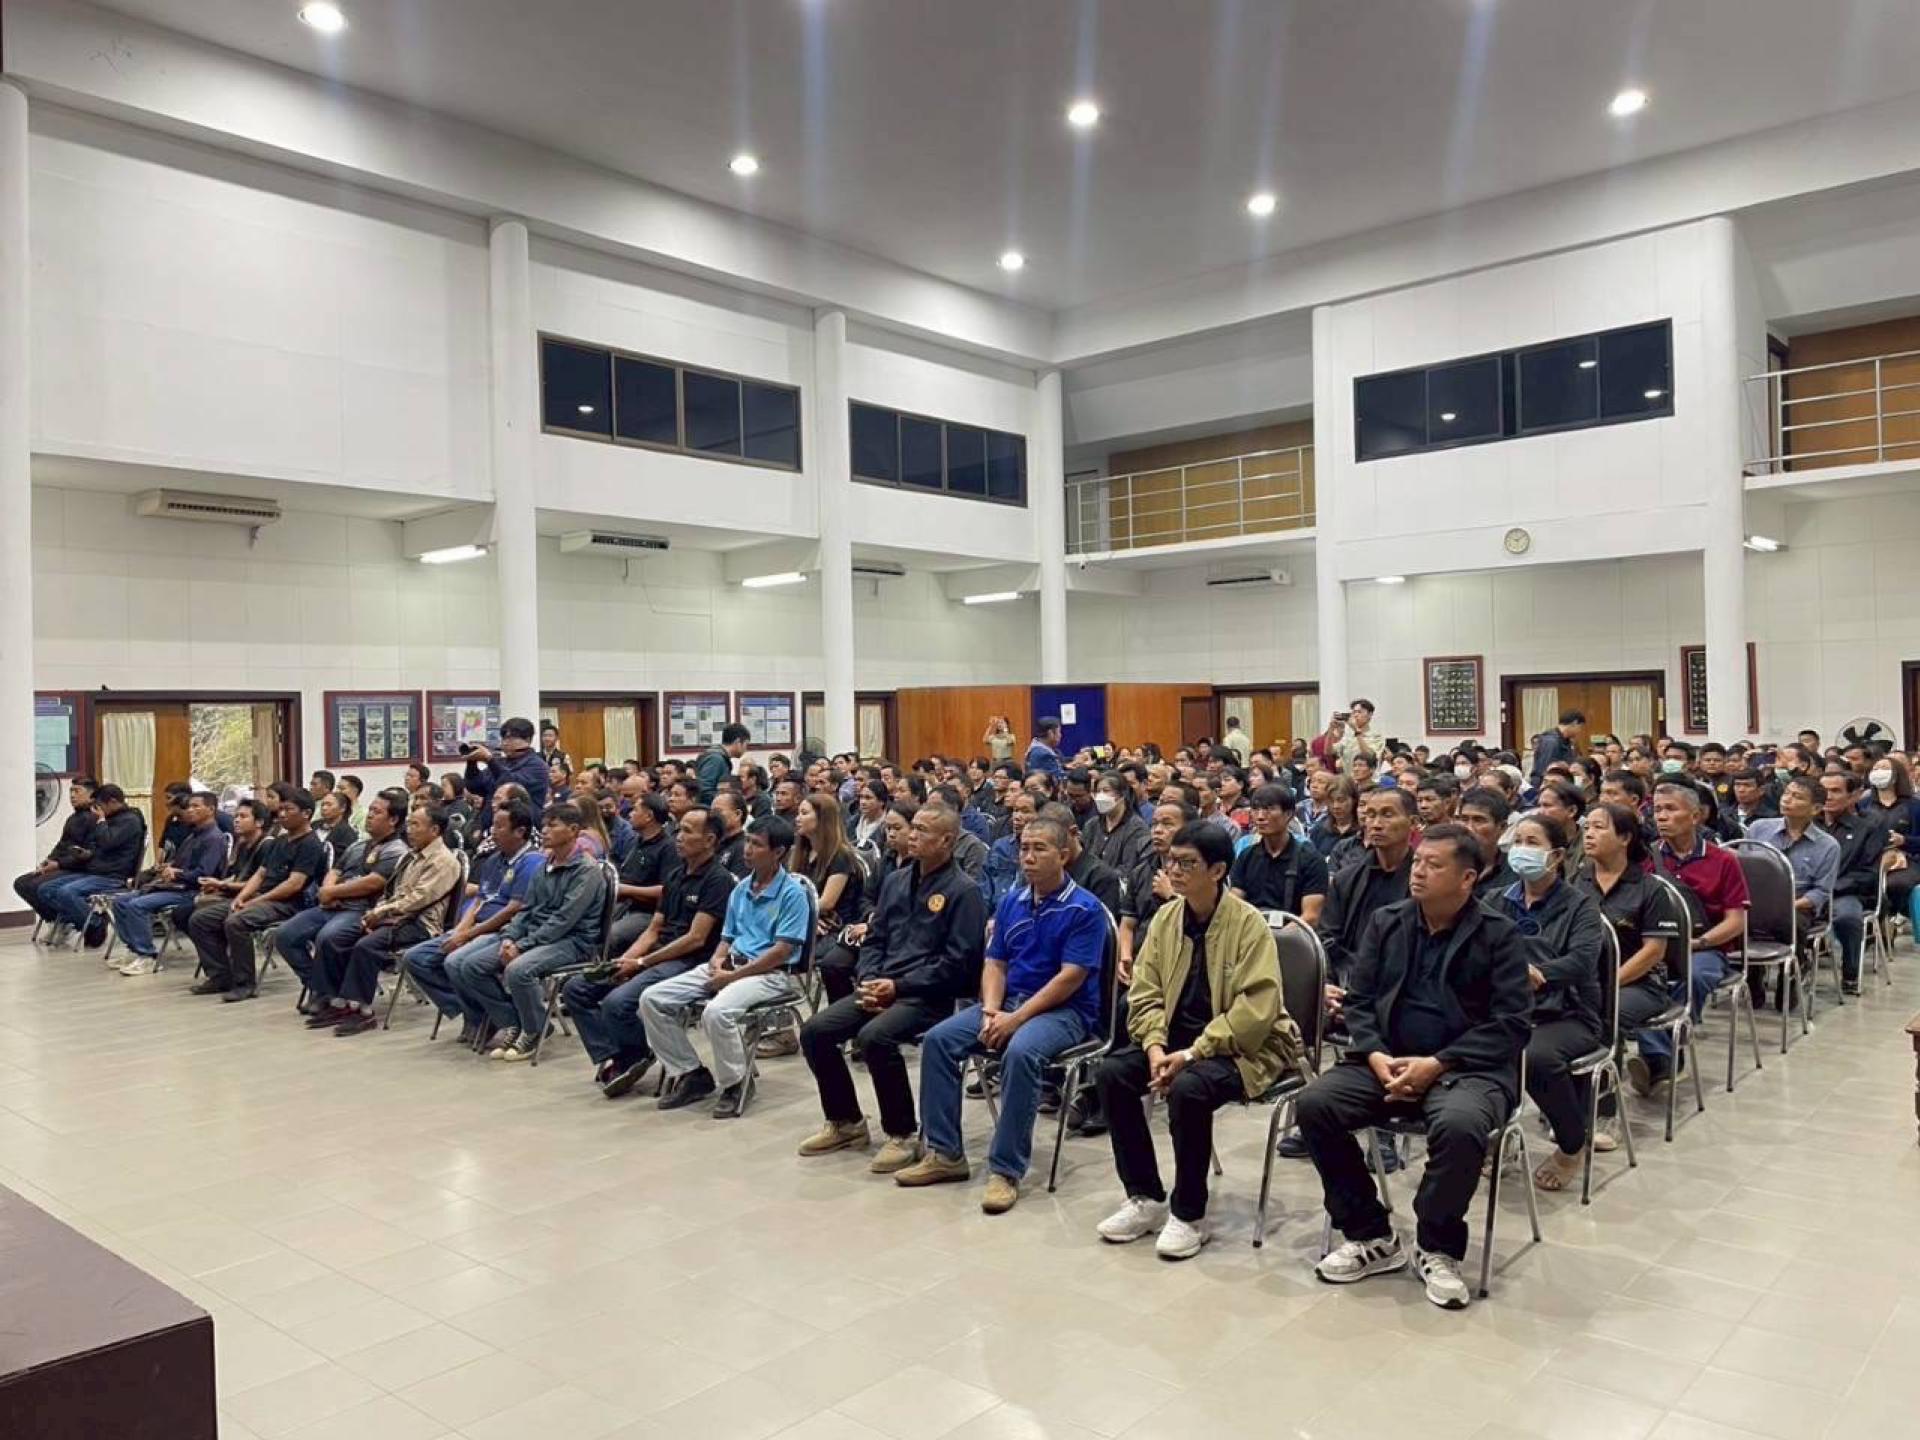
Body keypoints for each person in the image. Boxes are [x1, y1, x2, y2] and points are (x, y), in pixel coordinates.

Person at [1297, 823, 1531, 1310]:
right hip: (1387, 1059)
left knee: (1461, 1125)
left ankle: (1436, 1246)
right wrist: (1376, 1054)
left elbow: (1511, 1023)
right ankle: (1371, 1235)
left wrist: (1438, 1063)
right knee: (1316, 1103)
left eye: (1433, 865)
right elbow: (1360, 1001)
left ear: (1467, 878)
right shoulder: (1388, 922)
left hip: (1468, 1068)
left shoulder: (1499, 934)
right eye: (1418, 861)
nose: (1418, 871)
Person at [1095, 822, 1301, 1258]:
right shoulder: (1166, 918)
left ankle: (1189, 1213)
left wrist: (1192, 1053)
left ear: (1218, 870)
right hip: (1174, 1039)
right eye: (1171, 861)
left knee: (1188, 1089)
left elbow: (1256, 1009)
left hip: (1243, 1046)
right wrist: (1155, 1046)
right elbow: (1145, 991)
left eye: (1187, 863)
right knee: (1113, 1073)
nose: (1174, 871)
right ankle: (1145, 1196)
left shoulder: (1248, 925)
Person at [895, 813, 1106, 1213]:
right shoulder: (1013, 901)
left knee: (1021, 1052)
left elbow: (1071, 977)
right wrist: (991, 1010)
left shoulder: (1085, 908)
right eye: (1024, 848)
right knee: (939, 1040)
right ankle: (945, 1153)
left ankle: (1006, 1169)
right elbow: (995, 963)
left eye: (1039, 849)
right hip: (1007, 1004)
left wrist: (1017, 1018)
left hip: (1065, 1012)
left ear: (1063, 855)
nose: (1028, 857)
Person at [797, 804, 987, 1166]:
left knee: (874, 1037)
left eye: (922, 830)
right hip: (881, 985)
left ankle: (902, 1134)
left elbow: (959, 965)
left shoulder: (965, 891)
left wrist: (897, 987)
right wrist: (868, 979)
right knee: (815, 1031)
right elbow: (875, 938)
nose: (912, 835)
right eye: (912, 827)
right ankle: (846, 1121)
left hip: (929, 996)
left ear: (946, 841)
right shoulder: (896, 880)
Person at [640, 816, 812, 1118]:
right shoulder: (741, 889)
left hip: (769, 975)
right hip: (731, 966)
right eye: (747, 842)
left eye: (757, 844)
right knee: (652, 999)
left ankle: (735, 1083)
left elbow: (782, 951)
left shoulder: (792, 894)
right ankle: (691, 1072)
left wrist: (732, 976)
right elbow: (728, 937)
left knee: (717, 1012)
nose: (747, 849)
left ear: (778, 852)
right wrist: (717, 960)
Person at [560, 808, 735, 1096]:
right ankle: (617, 1054)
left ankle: (635, 1054)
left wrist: (642, 962)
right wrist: (627, 959)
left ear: (710, 840)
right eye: (679, 829)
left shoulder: (718, 880)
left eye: (687, 831)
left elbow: (695, 938)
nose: (678, 837)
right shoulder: (676, 875)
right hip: (656, 954)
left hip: (687, 961)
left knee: (618, 1003)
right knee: (577, 989)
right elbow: (654, 928)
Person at [1495, 814, 1609, 1193]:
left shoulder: (1580, 906)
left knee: (1534, 1055)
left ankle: (1572, 1142)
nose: (1521, 850)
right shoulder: (1496, 900)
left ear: (1557, 856)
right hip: (1508, 1007)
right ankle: (1490, 1134)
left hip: (1568, 1013)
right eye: (1518, 842)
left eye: (1532, 843)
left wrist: (1536, 972)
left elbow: (1581, 962)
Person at [448, 802, 608, 1060]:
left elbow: (564, 920)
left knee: (518, 970)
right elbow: (526, 909)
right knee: (468, 965)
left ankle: (534, 1031)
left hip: (572, 941)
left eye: (553, 825)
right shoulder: (546, 864)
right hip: (533, 935)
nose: (544, 831)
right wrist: (511, 937)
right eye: (544, 825)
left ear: (573, 830)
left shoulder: (586, 871)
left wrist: (522, 945)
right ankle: (512, 1022)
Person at [1627, 781, 1749, 1097]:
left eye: (1671, 809)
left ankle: (1659, 1056)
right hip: (1655, 943)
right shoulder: (1646, 859)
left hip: (1704, 946)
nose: (1661, 817)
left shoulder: (1723, 860)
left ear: (1695, 816)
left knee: (1693, 975)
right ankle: (1665, 1056)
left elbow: (1736, 921)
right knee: (1639, 978)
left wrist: (1699, 943)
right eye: (1657, 810)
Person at [311, 803, 463, 1036]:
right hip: (395, 917)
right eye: (409, 824)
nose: (409, 830)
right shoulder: (411, 856)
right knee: (339, 937)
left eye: (415, 825)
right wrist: (377, 911)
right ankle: (337, 1000)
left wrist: (381, 913)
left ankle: (362, 1011)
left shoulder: (444, 861)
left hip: (420, 924)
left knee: (366, 945)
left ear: (434, 830)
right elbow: (391, 892)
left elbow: (419, 898)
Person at [402, 801, 544, 1044]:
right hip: (476, 927)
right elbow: (480, 900)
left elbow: (513, 909)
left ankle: (504, 1019)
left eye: (499, 827)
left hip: (502, 930)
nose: (493, 832)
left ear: (520, 832)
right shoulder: (494, 860)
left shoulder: (531, 863)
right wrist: (460, 930)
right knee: (416, 958)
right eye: (493, 825)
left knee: (457, 962)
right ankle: (477, 1012)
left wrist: (468, 935)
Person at [276, 788, 408, 1008]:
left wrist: (333, 892)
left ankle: (323, 993)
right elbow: (335, 871)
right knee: (285, 935)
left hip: (360, 910)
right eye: (370, 810)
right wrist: (327, 891)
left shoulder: (396, 850)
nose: (369, 815)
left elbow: (374, 882)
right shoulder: (358, 845)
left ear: (393, 819)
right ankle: (320, 987)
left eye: (376, 812)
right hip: (331, 905)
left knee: (328, 937)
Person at [187, 790, 324, 1000]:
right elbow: (260, 874)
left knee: (236, 922)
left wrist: (256, 900)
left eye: (289, 810)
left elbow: (294, 884)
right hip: (262, 898)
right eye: (281, 809)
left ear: (306, 814)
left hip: (289, 903)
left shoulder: (310, 844)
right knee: (200, 919)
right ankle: (220, 976)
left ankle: (245, 984)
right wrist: (242, 897)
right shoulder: (280, 841)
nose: (282, 814)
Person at [107, 790, 227, 976]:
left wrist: (178, 874)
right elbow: (181, 863)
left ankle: (147, 955)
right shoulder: (194, 835)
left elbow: (204, 874)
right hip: (174, 886)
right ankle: (134, 949)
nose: (190, 810)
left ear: (211, 810)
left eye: (196, 806)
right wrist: (168, 867)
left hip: (190, 891)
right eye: (189, 806)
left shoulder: (214, 838)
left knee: (137, 905)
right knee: (120, 902)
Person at [1816, 770, 1885, 995]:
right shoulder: (1807, 826)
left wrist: (1831, 888)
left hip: (1846, 892)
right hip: (1806, 891)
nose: (1828, 796)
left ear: (1853, 796)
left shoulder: (1867, 828)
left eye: (1835, 791)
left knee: (1847, 917)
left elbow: (1869, 873)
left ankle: (1850, 971)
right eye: (1823, 790)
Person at [1229, 784, 1329, 924]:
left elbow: (1311, 916)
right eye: (1255, 810)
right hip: (1252, 929)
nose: (1260, 817)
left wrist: (1279, 935)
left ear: (1288, 814)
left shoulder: (1310, 859)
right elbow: (1235, 903)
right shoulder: (1247, 856)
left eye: (1269, 809)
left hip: (1292, 932)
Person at [16, 776, 99, 922]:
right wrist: (48, 861)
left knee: (37, 886)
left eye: (77, 791)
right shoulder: (73, 818)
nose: (72, 795)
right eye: (71, 791)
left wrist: (58, 864)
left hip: (79, 869)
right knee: (21, 883)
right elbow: (62, 845)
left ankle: (69, 920)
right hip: (62, 866)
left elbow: (87, 853)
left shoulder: (95, 819)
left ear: (91, 795)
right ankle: (56, 919)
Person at [464, 715, 550, 816]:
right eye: (504, 738)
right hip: (493, 821)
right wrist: (471, 763)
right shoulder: (501, 762)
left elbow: (511, 787)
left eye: (511, 738)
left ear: (527, 740)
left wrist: (489, 760)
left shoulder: (537, 765)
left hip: (520, 821)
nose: (505, 743)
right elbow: (475, 787)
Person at [1082, 771, 1151, 876]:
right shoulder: (1092, 825)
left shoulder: (1137, 828)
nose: (1100, 796)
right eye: (1098, 791)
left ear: (1122, 794)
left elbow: (1129, 868)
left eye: (1106, 790)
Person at [695, 722, 751, 804]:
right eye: (746, 745)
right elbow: (704, 790)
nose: (746, 749)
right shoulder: (716, 759)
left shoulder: (719, 758)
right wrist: (726, 802)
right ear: (738, 742)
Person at [1025, 716, 1067, 781]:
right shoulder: (1043, 754)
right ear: (1050, 733)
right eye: (1059, 732)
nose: (1060, 735)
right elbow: (1058, 779)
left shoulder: (1037, 748)